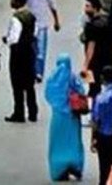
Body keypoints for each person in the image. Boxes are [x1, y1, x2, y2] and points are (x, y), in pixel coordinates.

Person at [45, 53, 87, 181]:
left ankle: (58, 168)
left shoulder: (53, 80)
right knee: (74, 141)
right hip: (73, 117)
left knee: (58, 142)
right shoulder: (73, 78)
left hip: (58, 118)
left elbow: (48, 95)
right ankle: (75, 165)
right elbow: (82, 92)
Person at [3, 0, 38, 123]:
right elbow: (35, 33)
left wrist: (6, 40)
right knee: (29, 84)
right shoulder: (31, 15)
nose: (11, 1)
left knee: (17, 84)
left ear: (18, 1)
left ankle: (19, 113)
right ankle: (33, 112)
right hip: (29, 51)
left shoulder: (16, 18)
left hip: (18, 53)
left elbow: (14, 38)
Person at [22, 0, 61, 82]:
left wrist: (56, 21)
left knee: (41, 50)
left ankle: (39, 73)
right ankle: (30, 71)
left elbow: (52, 5)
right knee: (29, 50)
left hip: (42, 23)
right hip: (29, 24)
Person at [83, 0, 112, 99]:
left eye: (88, 6)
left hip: (94, 62)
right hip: (108, 59)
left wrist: (85, 65)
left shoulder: (91, 26)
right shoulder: (107, 21)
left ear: (95, 8)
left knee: (93, 89)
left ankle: (96, 111)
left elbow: (91, 46)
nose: (85, 9)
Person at [93, 66, 112, 185]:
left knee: (104, 167)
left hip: (104, 136)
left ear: (103, 79)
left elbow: (96, 120)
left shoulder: (100, 98)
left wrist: (94, 138)